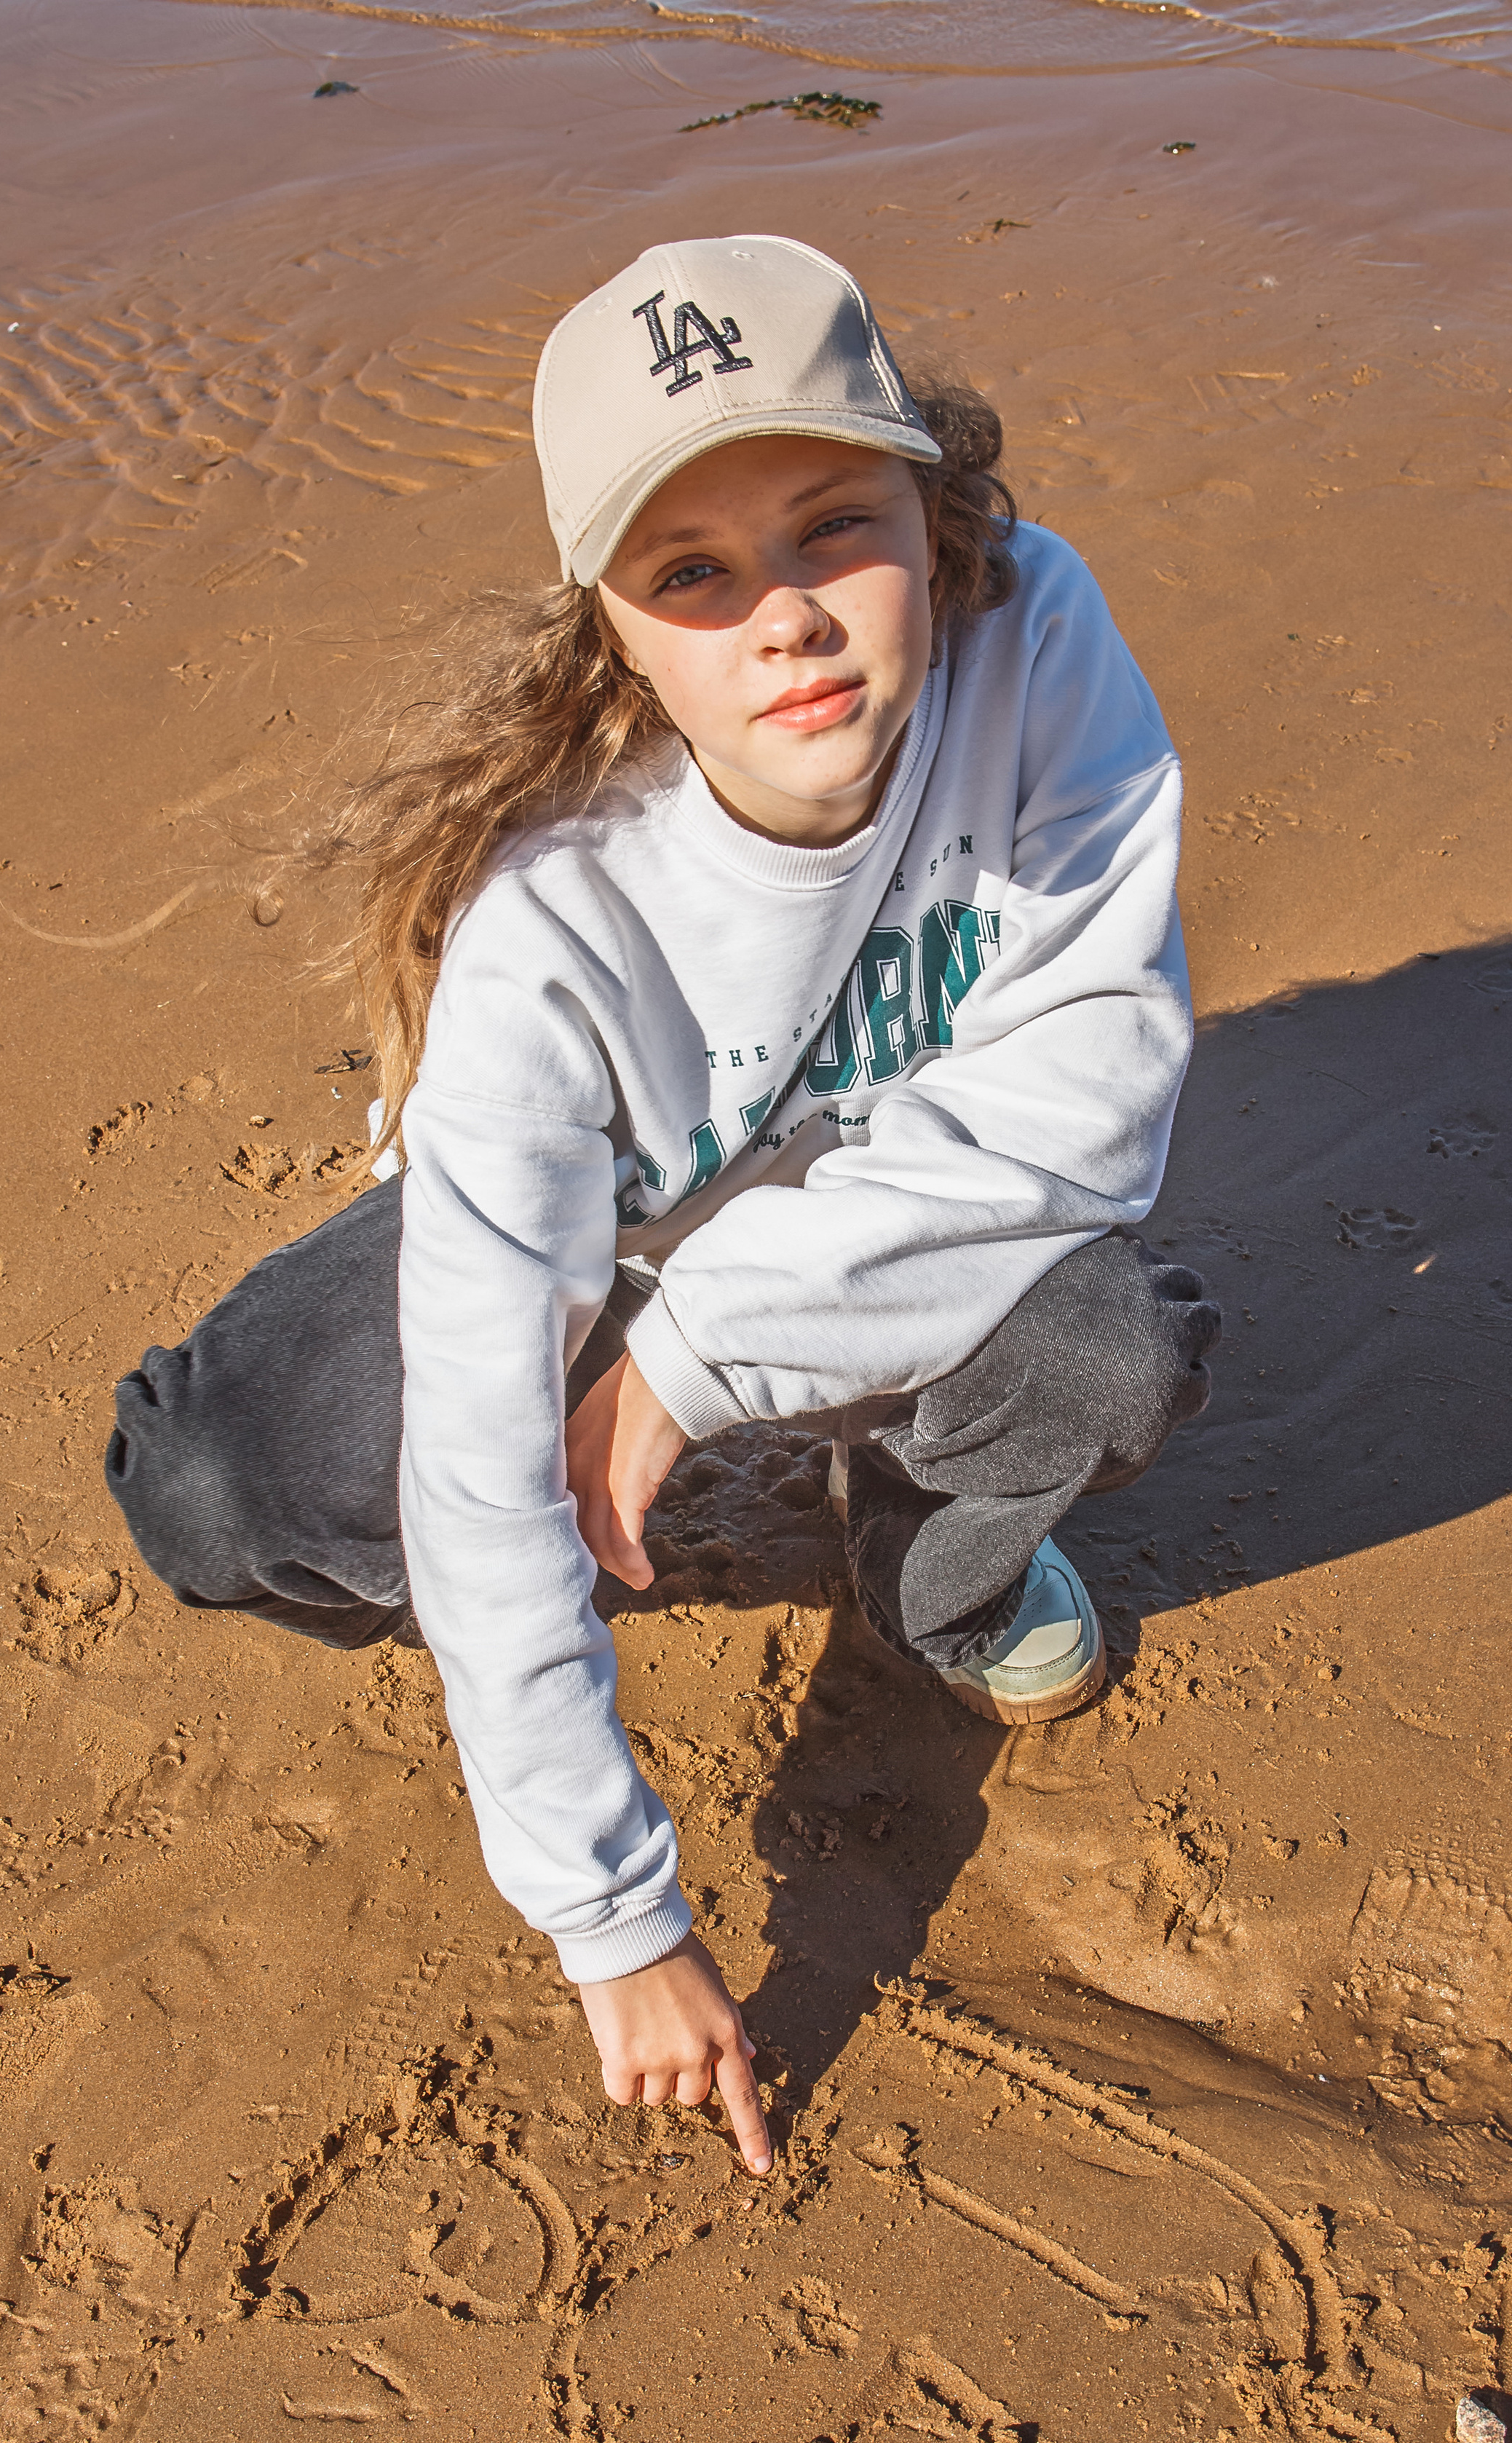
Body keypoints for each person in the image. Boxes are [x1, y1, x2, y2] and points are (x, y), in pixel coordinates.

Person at [104, 234, 1221, 2182]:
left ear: (937, 520)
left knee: (1107, 1360)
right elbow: (474, 1444)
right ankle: (506, 1553)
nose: (782, 617)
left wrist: (690, 1376)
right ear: (614, 627)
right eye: (691, 573)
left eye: (831, 527)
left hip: (882, 1194)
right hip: (590, 1239)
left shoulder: (1038, 639)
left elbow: (1093, 1093)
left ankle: (928, 1567)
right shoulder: (557, 912)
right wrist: (616, 1918)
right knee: (215, 1490)